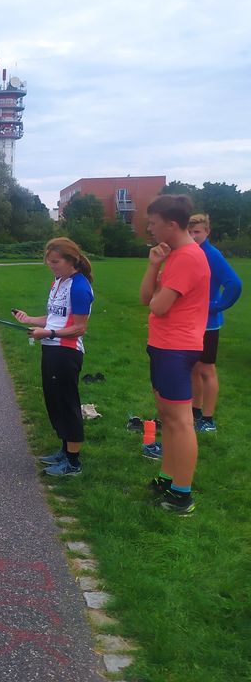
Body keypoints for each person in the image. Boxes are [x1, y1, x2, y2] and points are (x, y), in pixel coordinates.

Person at [140, 194, 211, 515]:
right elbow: (146, 298)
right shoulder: (174, 256)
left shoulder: (188, 258)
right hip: (164, 344)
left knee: (180, 421)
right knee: (168, 417)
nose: (149, 228)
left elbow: (159, 306)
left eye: (153, 223)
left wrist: (158, 292)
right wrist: (154, 265)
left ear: (171, 225)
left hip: (176, 347)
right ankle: (168, 477)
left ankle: (182, 494)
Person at [12, 238, 94, 477]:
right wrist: (29, 319)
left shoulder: (79, 287)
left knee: (67, 404)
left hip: (66, 351)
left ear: (71, 260)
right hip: (51, 348)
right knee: (55, 402)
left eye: (56, 262)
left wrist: (49, 333)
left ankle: (73, 462)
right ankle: (64, 451)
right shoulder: (59, 281)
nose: (51, 266)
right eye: (49, 261)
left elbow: (79, 328)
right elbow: (55, 317)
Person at [187, 213, 243, 432]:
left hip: (208, 323)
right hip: (191, 321)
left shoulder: (212, 254)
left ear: (207, 232)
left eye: (197, 232)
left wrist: (215, 306)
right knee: (193, 367)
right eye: (189, 232)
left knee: (206, 369)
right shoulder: (190, 253)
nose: (193, 236)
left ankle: (208, 420)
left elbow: (234, 284)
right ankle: (195, 411)